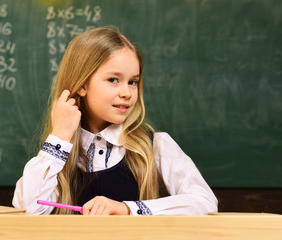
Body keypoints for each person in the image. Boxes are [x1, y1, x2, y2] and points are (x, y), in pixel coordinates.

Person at [12, 27, 218, 215]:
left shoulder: (155, 146)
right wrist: (59, 136)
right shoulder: (59, 155)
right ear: (82, 84)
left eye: (133, 82)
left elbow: (205, 202)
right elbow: (27, 209)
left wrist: (127, 208)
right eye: (113, 80)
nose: (126, 92)